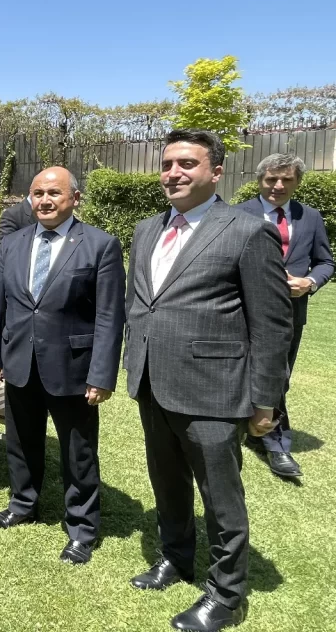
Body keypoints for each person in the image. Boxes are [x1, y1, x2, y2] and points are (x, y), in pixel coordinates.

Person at [125, 129, 292, 632]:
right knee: (167, 481)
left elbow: (271, 323)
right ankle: (176, 557)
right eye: (167, 163)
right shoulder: (145, 230)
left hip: (214, 389)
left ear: (216, 171)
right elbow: (144, 304)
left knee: (220, 497)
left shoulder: (245, 230)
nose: (174, 173)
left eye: (187, 164)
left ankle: (226, 595)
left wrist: (265, 400)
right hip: (153, 380)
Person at [0, 167, 124, 565]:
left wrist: (101, 375)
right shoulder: (12, 244)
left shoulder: (100, 245)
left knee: (78, 452)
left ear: (74, 199)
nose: (44, 200)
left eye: (54, 193)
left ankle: (81, 528)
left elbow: (110, 317)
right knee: (21, 441)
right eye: (37, 193)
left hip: (73, 369)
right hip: (20, 363)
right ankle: (23, 504)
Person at [235, 152, 333, 479]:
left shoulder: (311, 217)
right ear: (260, 179)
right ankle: (245, 431)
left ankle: (274, 440)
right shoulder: (236, 215)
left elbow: (325, 262)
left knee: (279, 375)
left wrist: (310, 281)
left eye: (286, 179)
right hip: (241, 311)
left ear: (297, 182)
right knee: (237, 371)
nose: (278, 185)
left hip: (290, 314)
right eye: (271, 179)